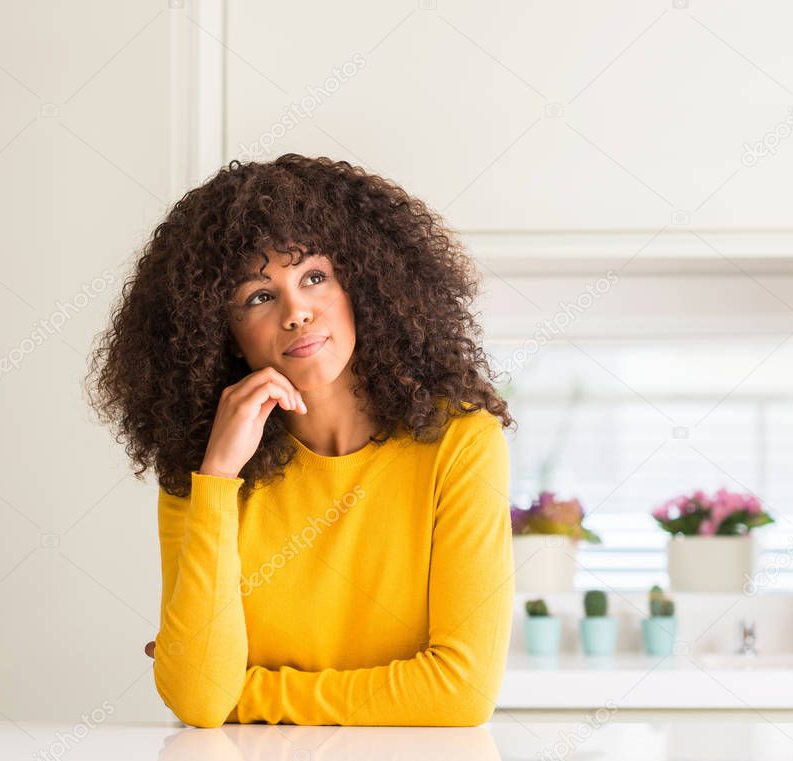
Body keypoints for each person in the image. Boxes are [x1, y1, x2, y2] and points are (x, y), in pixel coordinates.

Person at [85, 154, 517, 727]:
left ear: (362, 286)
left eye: (314, 277)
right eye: (259, 297)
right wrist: (217, 479)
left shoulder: (461, 442)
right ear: (223, 334)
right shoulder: (202, 469)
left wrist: (245, 695)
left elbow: (460, 693)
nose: (297, 313)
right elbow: (197, 701)